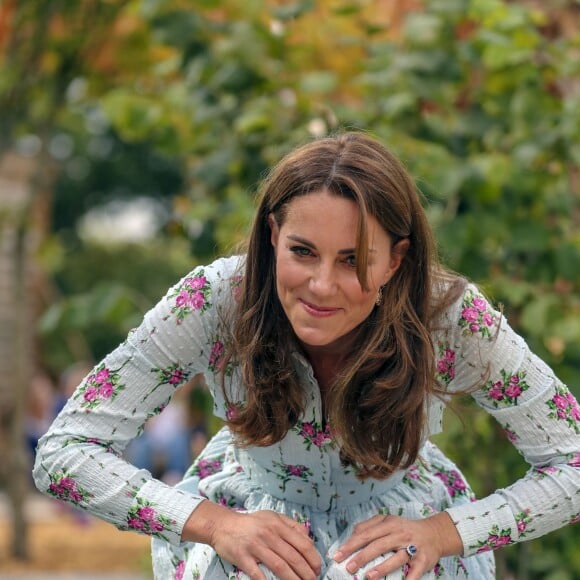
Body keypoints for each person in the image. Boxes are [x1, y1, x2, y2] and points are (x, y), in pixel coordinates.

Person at [33, 132, 580, 580]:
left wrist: (445, 532)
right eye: (302, 252)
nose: (321, 285)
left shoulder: (451, 318)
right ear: (273, 235)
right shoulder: (214, 302)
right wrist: (213, 524)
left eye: (352, 260)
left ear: (396, 259)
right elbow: (64, 452)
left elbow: (573, 463)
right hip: (248, 528)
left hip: (400, 536)